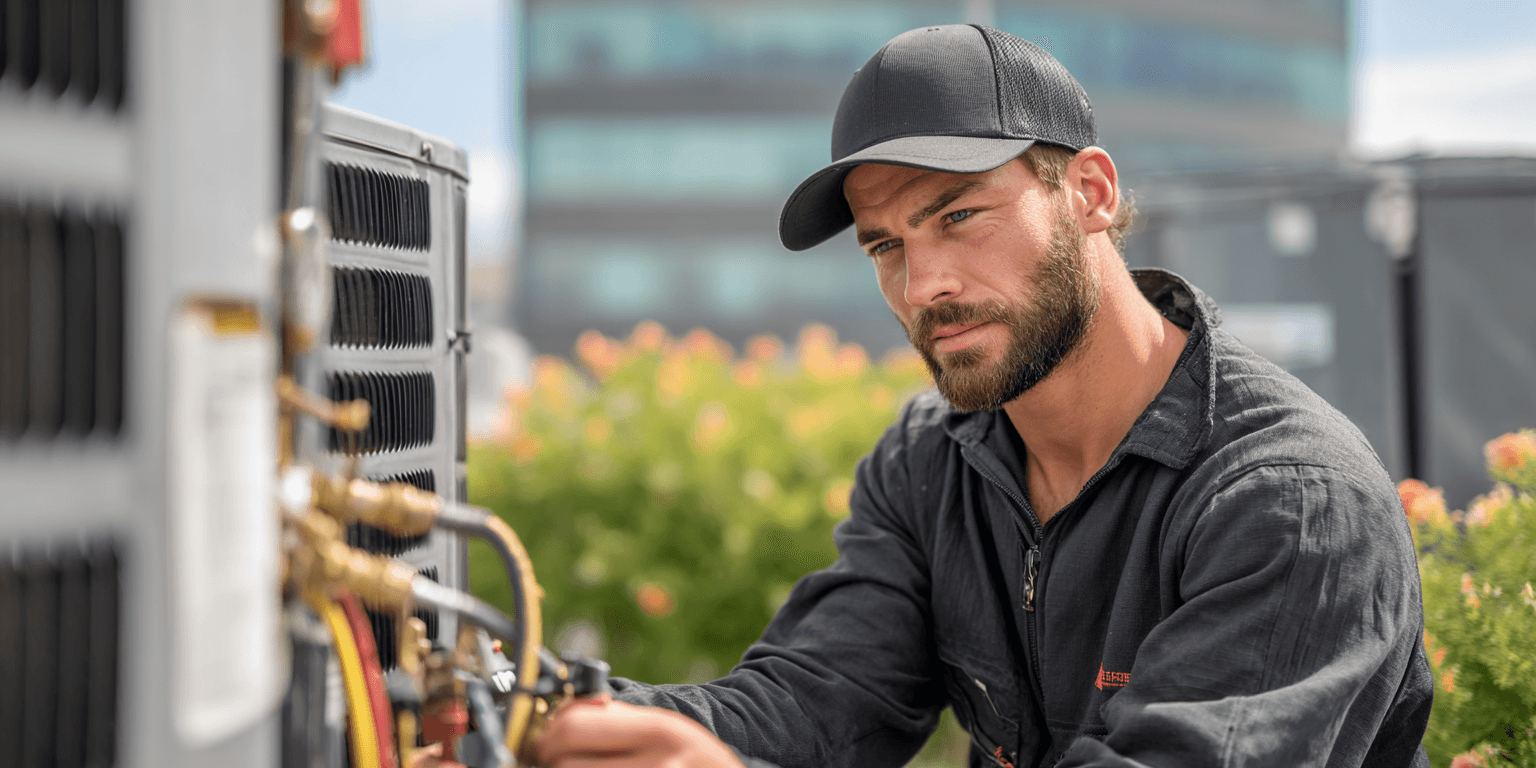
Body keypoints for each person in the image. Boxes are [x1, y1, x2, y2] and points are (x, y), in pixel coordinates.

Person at [535, 24, 1433, 768]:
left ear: (1088, 193)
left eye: (959, 216)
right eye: (886, 245)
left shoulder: (1290, 500)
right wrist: (542, 713)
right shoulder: (932, 459)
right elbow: (816, 700)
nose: (921, 284)